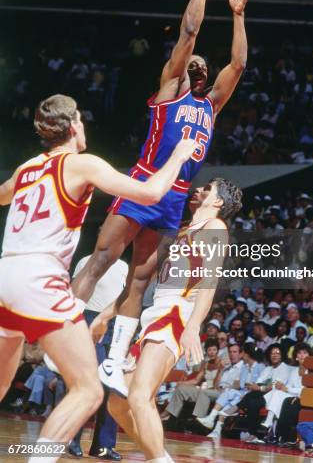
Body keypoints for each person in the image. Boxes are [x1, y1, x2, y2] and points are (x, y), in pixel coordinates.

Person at [72, 0, 252, 396]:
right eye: (192, 63)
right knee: (101, 260)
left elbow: (240, 64)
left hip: (174, 198)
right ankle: (64, 331)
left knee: (140, 278)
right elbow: (189, 31)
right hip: (143, 183)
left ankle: (112, 361)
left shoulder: (211, 105)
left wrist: (238, 16)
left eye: (203, 66)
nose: (197, 65)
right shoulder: (170, 91)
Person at [0, 94, 196, 463]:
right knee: (88, 391)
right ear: (74, 125)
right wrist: (179, 156)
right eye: (82, 121)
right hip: (38, 276)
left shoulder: (27, 168)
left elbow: (2, 196)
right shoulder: (81, 163)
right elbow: (151, 192)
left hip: (5, 272)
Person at [107, 178, 243, 463]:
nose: (200, 190)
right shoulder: (182, 231)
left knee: (139, 396)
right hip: (154, 315)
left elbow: (210, 279)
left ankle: (158, 459)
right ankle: (158, 455)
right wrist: (110, 312)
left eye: (208, 189)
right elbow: (144, 280)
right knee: (118, 404)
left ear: (218, 202)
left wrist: (193, 326)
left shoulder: (215, 227)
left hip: (176, 314)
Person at [69, 254, 129, 460]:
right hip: (89, 318)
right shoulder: (86, 261)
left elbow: (128, 298)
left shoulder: (124, 267)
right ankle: (71, 438)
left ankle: (103, 446)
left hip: (116, 324)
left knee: (111, 386)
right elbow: (75, 293)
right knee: (89, 382)